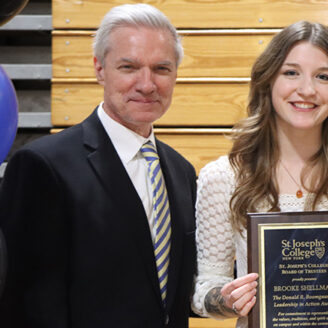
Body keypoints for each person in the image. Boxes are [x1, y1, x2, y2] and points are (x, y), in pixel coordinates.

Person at [191, 21, 328, 328]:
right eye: (291, 72)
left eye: (324, 77)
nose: (307, 89)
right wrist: (227, 299)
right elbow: (204, 294)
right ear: (268, 81)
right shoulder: (223, 178)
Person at [0, 4, 197, 327]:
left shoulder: (181, 172)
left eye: (161, 68)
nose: (147, 84)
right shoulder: (42, 166)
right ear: (99, 69)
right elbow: (26, 306)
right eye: (129, 67)